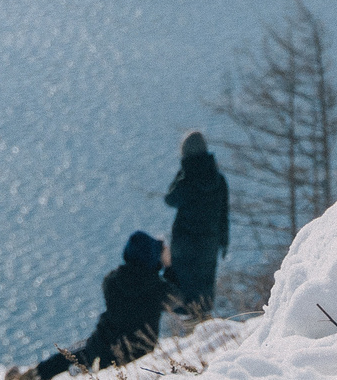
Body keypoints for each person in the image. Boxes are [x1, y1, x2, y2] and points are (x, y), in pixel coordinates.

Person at [22, 231, 168, 379]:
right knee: (75, 356)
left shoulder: (113, 281)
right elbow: (183, 299)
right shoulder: (158, 289)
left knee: (69, 355)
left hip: (103, 343)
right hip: (138, 349)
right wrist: (168, 267)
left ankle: (33, 375)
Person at [160, 131, 229, 316]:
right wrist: (223, 241)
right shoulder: (218, 179)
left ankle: (189, 331)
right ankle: (204, 321)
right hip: (209, 241)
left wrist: (181, 172)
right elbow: (224, 213)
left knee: (185, 288)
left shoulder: (186, 181)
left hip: (186, 242)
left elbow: (170, 199)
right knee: (205, 284)